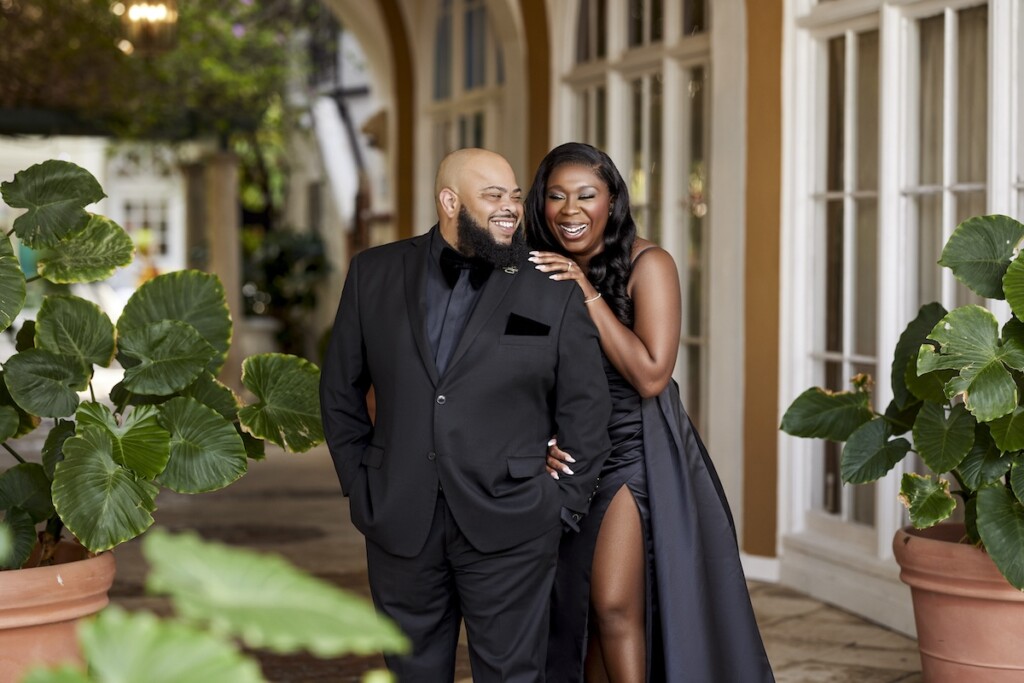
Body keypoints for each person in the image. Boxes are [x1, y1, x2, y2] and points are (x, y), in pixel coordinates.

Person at [319, 147, 614, 682]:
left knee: (511, 675)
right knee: (412, 673)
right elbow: (340, 389)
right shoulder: (374, 273)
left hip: (516, 520)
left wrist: (560, 504)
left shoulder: (553, 285)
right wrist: (361, 482)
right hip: (399, 516)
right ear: (450, 201)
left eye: (517, 197)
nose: (511, 208)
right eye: (494, 195)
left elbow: (587, 410)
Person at [525, 142, 775, 682]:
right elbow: (518, 371)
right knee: (576, 611)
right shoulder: (536, 270)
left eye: (586, 195)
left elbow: (650, 374)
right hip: (566, 456)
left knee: (615, 603)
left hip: (633, 451)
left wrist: (586, 291)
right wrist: (534, 438)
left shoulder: (648, 263)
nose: (571, 209)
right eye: (557, 196)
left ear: (612, 200)